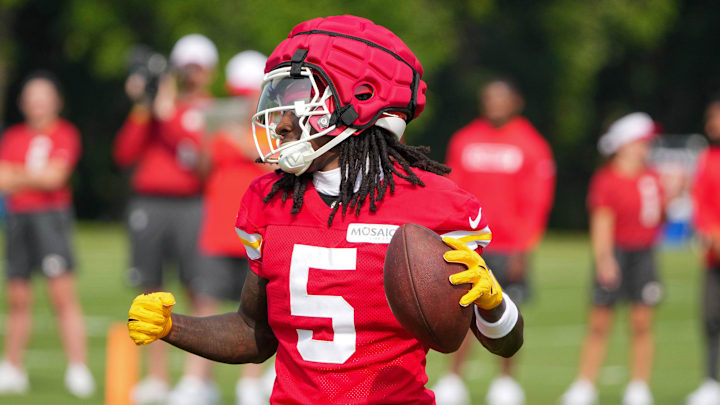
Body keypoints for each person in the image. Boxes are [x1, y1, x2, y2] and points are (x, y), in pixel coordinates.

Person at [125, 15, 524, 404]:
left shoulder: (435, 205)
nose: (280, 122)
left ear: (361, 103)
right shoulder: (270, 201)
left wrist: (494, 304)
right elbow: (253, 330)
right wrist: (173, 327)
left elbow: (506, 342)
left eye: (298, 100)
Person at [113, 34, 219, 405]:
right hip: (150, 204)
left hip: (192, 204)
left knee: (198, 289)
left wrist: (166, 111)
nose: (191, 74)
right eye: (185, 67)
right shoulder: (156, 109)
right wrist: (144, 106)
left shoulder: (207, 109)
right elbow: (124, 152)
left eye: (197, 67)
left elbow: (195, 153)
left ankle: (198, 379)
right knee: (150, 292)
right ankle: (156, 377)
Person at [438, 78, 555, 405]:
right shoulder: (464, 140)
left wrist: (525, 246)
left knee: (504, 315)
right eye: (489, 97)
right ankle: (453, 380)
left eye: (501, 98)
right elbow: (452, 191)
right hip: (468, 244)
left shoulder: (531, 145)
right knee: (460, 313)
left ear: (516, 102)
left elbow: (537, 201)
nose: (495, 104)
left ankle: (505, 384)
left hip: (509, 246)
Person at [0, 71, 95, 398]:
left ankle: (78, 367)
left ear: (56, 100)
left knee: (62, 295)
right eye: (31, 96)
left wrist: (19, 175)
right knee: (18, 297)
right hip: (18, 219)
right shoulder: (13, 136)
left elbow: (55, 178)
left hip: (51, 219)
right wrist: (32, 176)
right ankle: (12, 366)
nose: (36, 103)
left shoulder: (65, 133)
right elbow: (3, 179)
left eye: (43, 96)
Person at [561, 112, 666, 405]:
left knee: (642, 323)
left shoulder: (652, 178)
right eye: (640, 142)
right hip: (616, 252)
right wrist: (605, 259)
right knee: (599, 324)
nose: (645, 148)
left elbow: (658, 219)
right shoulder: (607, 179)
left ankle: (639, 386)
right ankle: (585, 384)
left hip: (644, 255)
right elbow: (602, 222)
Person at [194, 50, 275, 405]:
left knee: (259, 309)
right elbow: (200, 170)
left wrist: (243, 144)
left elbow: (278, 169)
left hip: (259, 229)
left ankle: (251, 383)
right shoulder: (218, 126)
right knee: (206, 304)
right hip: (219, 226)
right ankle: (200, 381)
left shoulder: (275, 128)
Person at [687, 96, 720, 405]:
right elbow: (701, 203)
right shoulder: (708, 159)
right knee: (711, 317)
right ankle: (711, 382)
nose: (712, 123)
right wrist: (709, 233)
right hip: (714, 256)